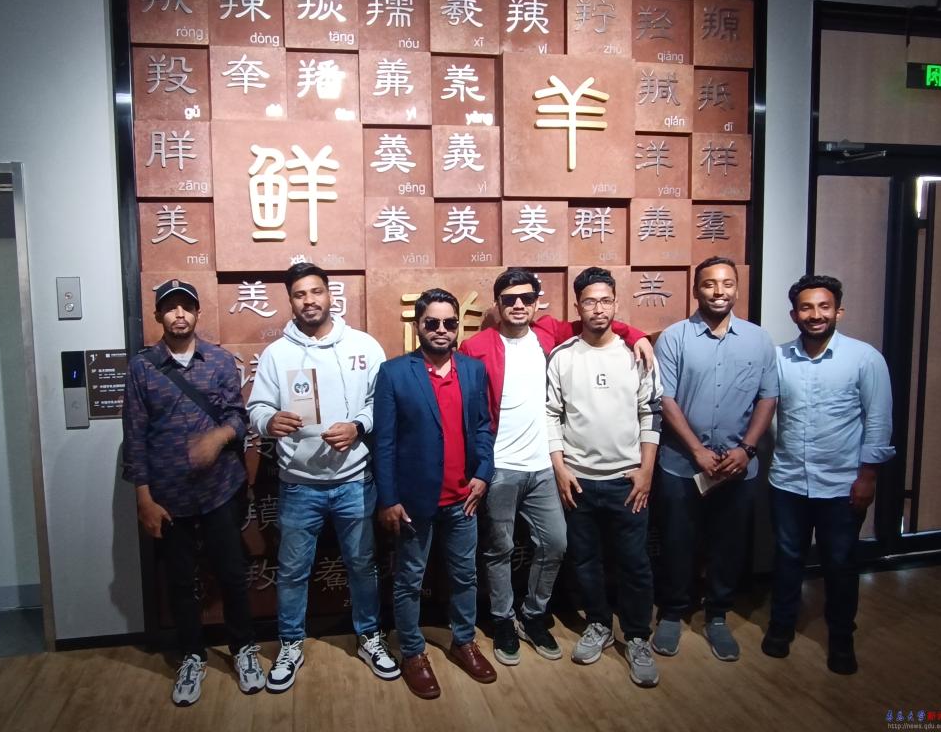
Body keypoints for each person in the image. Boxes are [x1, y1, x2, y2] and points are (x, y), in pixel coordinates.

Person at [459, 267, 653, 666]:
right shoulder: (475, 347)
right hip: (500, 467)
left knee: (557, 544)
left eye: (527, 298)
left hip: (546, 467)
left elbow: (599, 320)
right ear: (497, 304)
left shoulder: (550, 334)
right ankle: (502, 620)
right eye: (509, 299)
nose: (518, 305)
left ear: (536, 303)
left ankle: (533, 614)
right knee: (499, 549)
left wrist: (637, 335)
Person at [247, 263, 399, 693]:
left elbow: (380, 403)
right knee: (293, 571)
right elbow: (256, 408)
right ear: (290, 300)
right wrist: (268, 421)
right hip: (299, 484)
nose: (309, 301)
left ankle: (369, 637)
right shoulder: (277, 354)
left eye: (316, 292)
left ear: (330, 294)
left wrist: (358, 427)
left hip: (355, 481)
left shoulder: (364, 346)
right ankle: (290, 644)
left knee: (362, 566)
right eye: (299, 294)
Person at [122, 279, 266, 706]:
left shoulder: (219, 360)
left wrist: (218, 436)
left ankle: (243, 648)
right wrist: (144, 499)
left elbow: (238, 417)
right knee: (181, 581)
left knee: (232, 573)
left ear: (197, 313)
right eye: (171, 308)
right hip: (168, 496)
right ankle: (192, 655)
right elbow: (134, 437)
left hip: (220, 489)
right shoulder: (142, 368)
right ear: (158, 316)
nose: (179, 314)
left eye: (186, 307)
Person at [762, 274, 894, 675]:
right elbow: (765, 410)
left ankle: (841, 639)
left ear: (839, 311)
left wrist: (868, 477)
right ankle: (781, 628)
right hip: (788, 480)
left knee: (840, 563)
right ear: (794, 314)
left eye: (823, 307)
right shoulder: (779, 358)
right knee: (787, 559)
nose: (815, 315)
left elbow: (878, 421)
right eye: (806, 308)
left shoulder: (864, 358)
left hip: (842, 483)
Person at [651, 257, 778, 661]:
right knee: (677, 541)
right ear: (696, 290)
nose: (719, 291)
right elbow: (665, 398)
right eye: (709, 284)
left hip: (738, 465)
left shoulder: (759, 340)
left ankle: (718, 615)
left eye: (726, 283)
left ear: (737, 289)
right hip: (680, 464)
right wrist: (696, 450)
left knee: (729, 544)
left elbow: (768, 397)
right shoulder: (674, 338)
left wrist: (747, 449)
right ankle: (673, 611)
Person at [373, 289, 497, 699]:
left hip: (464, 499)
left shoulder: (473, 370)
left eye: (449, 323)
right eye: (432, 323)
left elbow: (483, 427)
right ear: (418, 326)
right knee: (409, 580)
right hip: (414, 502)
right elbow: (384, 443)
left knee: (465, 576)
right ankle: (412, 652)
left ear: (457, 327)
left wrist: (483, 473)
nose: (441, 330)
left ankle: (464, 641)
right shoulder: (394, 373)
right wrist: (389, 499)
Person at [545, 267, 664, 687]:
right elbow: (551, 414)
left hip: (627, 482)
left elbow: (651, 413)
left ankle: (637, 636)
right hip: (578, 481)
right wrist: (560, 468)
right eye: (590, 301)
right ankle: (598, 623)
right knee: (585, 561)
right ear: (578, 306)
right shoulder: (562, 356)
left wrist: (646, 471)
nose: (599, 308)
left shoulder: (637, 354)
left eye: (606, 300)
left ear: (616, 303)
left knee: (634, 563)